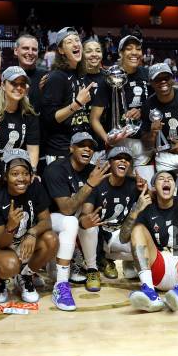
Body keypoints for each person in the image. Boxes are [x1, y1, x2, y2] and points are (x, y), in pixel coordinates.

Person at [119, 169, 178, 312]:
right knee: (137, 229)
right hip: (160, 269)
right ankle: (150, 293)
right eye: (161, 178)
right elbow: (123, 238)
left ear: (174, 186)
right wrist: (135, 211)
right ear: (154, 186)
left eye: (170, 179)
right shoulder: (147, 209)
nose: (166, 180)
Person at [42, 132, 110, 311]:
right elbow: (65, 209)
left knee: (90, 225)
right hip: (47, 220)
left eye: (91, 146)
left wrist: (85, 221)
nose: (87, 148)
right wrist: (89, 185)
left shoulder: (92, 171)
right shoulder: (56, 169)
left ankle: (92, 269)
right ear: (71, 148)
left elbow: (86, 207)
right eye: (82, 145)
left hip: (70, 219)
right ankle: (61, 285)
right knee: (71, 221)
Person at [0, 148, 58, 303]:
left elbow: (46, 221)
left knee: (52, 239)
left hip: (21, 240)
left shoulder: (35, 187)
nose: (21, 178)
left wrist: (33, 232)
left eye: (25, 173)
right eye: (15, 174)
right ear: (5, 176)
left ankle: (25, 276)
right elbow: (2, 242)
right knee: (10, 265)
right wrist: (11, 225)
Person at [79, 146, 144, 289]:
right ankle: (92, 269)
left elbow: (151, 204)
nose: (123, 161)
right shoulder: (98, 184)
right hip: (97, 235)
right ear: (109, 163)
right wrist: (85, 221)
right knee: (88, 226)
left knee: (143, 247)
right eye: (119, 158)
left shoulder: (134, 184)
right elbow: (84, 216)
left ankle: (107, 260)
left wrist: (145, 190)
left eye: (127, 159)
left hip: (118, 234)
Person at [91, 35, 152, 167]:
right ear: (120, 53)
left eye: (138, 49)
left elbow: (158, 104)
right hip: (118, 144)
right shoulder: (109, 78)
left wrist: (142, 111)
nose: (135, 52)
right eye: (129, 49)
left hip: (144, 143)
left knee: (145, 185)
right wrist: (108, 140)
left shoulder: (148, 74)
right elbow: (94, 118)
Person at [40, 27, 95, 162]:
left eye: (77, 40)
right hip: (61, 151)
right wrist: (77, 104)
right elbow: (51, 119)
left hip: (80, 149)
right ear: (61, 50)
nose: (76, 44)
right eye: (69, 41)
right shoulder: (56, 77)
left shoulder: (81, 75)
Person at [13, 34, 47, 111]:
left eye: (34, 49)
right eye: (25, 48)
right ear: (16, 51)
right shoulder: (8, 78)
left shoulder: (46, 77)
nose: (30, 52)